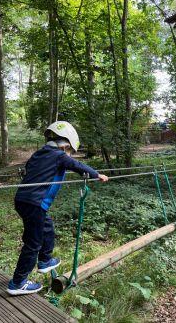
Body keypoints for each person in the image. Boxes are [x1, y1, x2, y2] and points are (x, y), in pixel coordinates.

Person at [7, 121, 108, 296]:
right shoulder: (59, 155)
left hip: (23, 200)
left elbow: (29, 169)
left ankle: (45, 261)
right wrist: (96, 174)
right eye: (70, 151)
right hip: (35, 203)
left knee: (47, 227)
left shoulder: (38, 154)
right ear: (66, 145)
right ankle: (18, 283)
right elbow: (78, 166)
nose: (69, 155)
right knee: (33, 243)